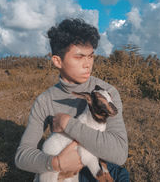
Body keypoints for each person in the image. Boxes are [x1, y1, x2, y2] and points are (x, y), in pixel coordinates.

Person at [15, 18, 129, 181]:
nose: (88, 64)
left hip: (94, 162)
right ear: (57, 61)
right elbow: (22, 156)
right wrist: (56, 163)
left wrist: (68, 124)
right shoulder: (45, 100)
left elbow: (119, 154)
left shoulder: (107, 93)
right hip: (62, 168)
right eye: (79, 57)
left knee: (119, 175)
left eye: (90, 56)